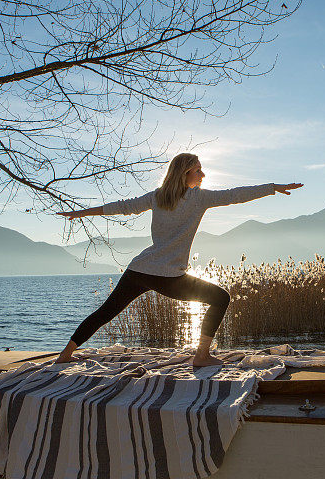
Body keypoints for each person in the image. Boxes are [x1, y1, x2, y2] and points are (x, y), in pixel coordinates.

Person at [55, 152, 304, 366]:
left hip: (140, 270)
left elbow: (122, 207)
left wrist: (82, 213)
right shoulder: (198, 199)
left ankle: (65, 355)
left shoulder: (157, 196)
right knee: (221, 298)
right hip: (169, 276)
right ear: (185, 173)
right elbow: (234, 195)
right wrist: (272, 188)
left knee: (106, 312)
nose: (203, 175)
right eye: (198, 170)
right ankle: (202, 355)